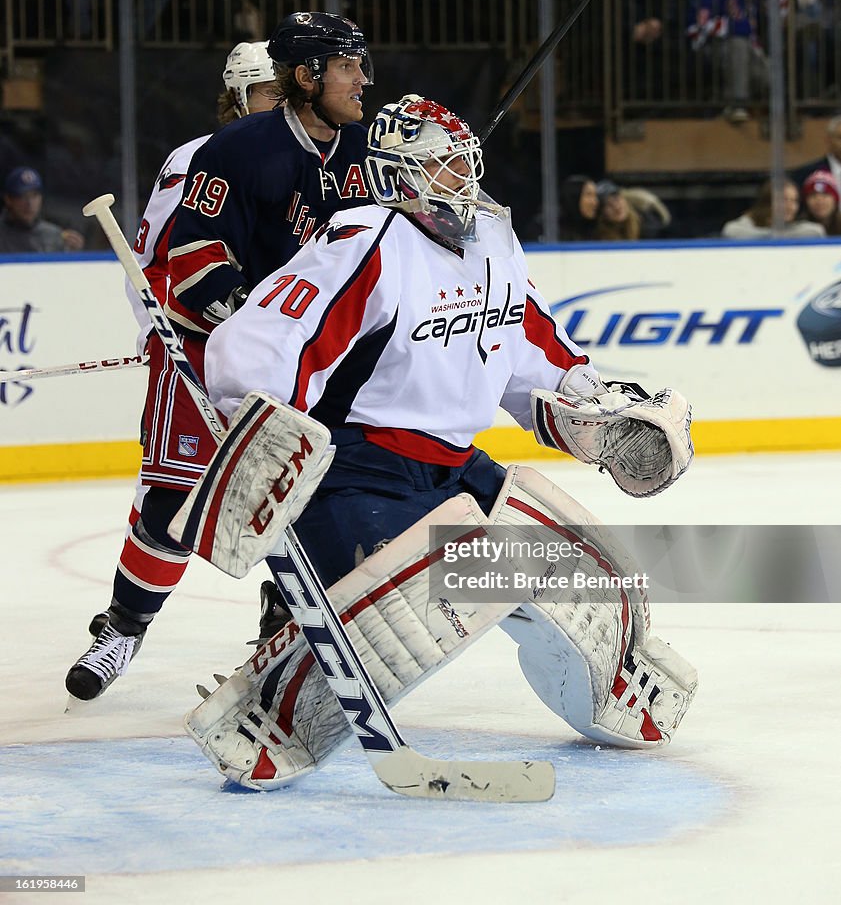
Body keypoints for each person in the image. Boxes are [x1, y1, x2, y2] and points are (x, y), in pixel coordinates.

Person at [188, 94, 696, 788]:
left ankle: (611, 681)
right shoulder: (363, 242)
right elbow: (267, 343)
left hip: (456, 468)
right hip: (358, 473)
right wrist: (254, 422)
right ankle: (268, 707)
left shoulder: (491, 238)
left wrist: (593, 408)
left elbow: (531, 348)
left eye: (465, 164)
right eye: (446, 167)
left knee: (589, 573)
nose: (465, 179)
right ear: (401, 176)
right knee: (429, 599)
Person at [64, 13, 375, 701]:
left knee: (310, 494)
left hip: (308, 356)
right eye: (346, 66)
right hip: (210, 345)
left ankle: (284, 629)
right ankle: (124, 625)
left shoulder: (359, 148)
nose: (361, 79)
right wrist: (197, 330)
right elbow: (176, 256)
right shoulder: (221, 153)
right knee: (177, 501)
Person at [0, 167, 85, 253]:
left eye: (34, 195)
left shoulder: (53, 235)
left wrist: (72, 253)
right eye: (22, 196)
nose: (29, 203)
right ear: (8, 199)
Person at [720, 176, 826, 238]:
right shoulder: (746, 223)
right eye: (784, 200)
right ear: (768, 201)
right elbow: (730, 231)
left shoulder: (798, 227)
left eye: (794, 201)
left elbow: (816, 231)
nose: (790, 207)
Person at [800, 169, 841, 235]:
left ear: (835, 200)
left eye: (825, 194)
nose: (819, 200)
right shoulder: (798, 230)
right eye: (813, 195)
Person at [559, 174, 599, 240]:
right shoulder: (552, 233)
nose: (595, 202)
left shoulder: (597, 232)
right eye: (589, 195)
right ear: (574, 198)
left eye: (596, 195)